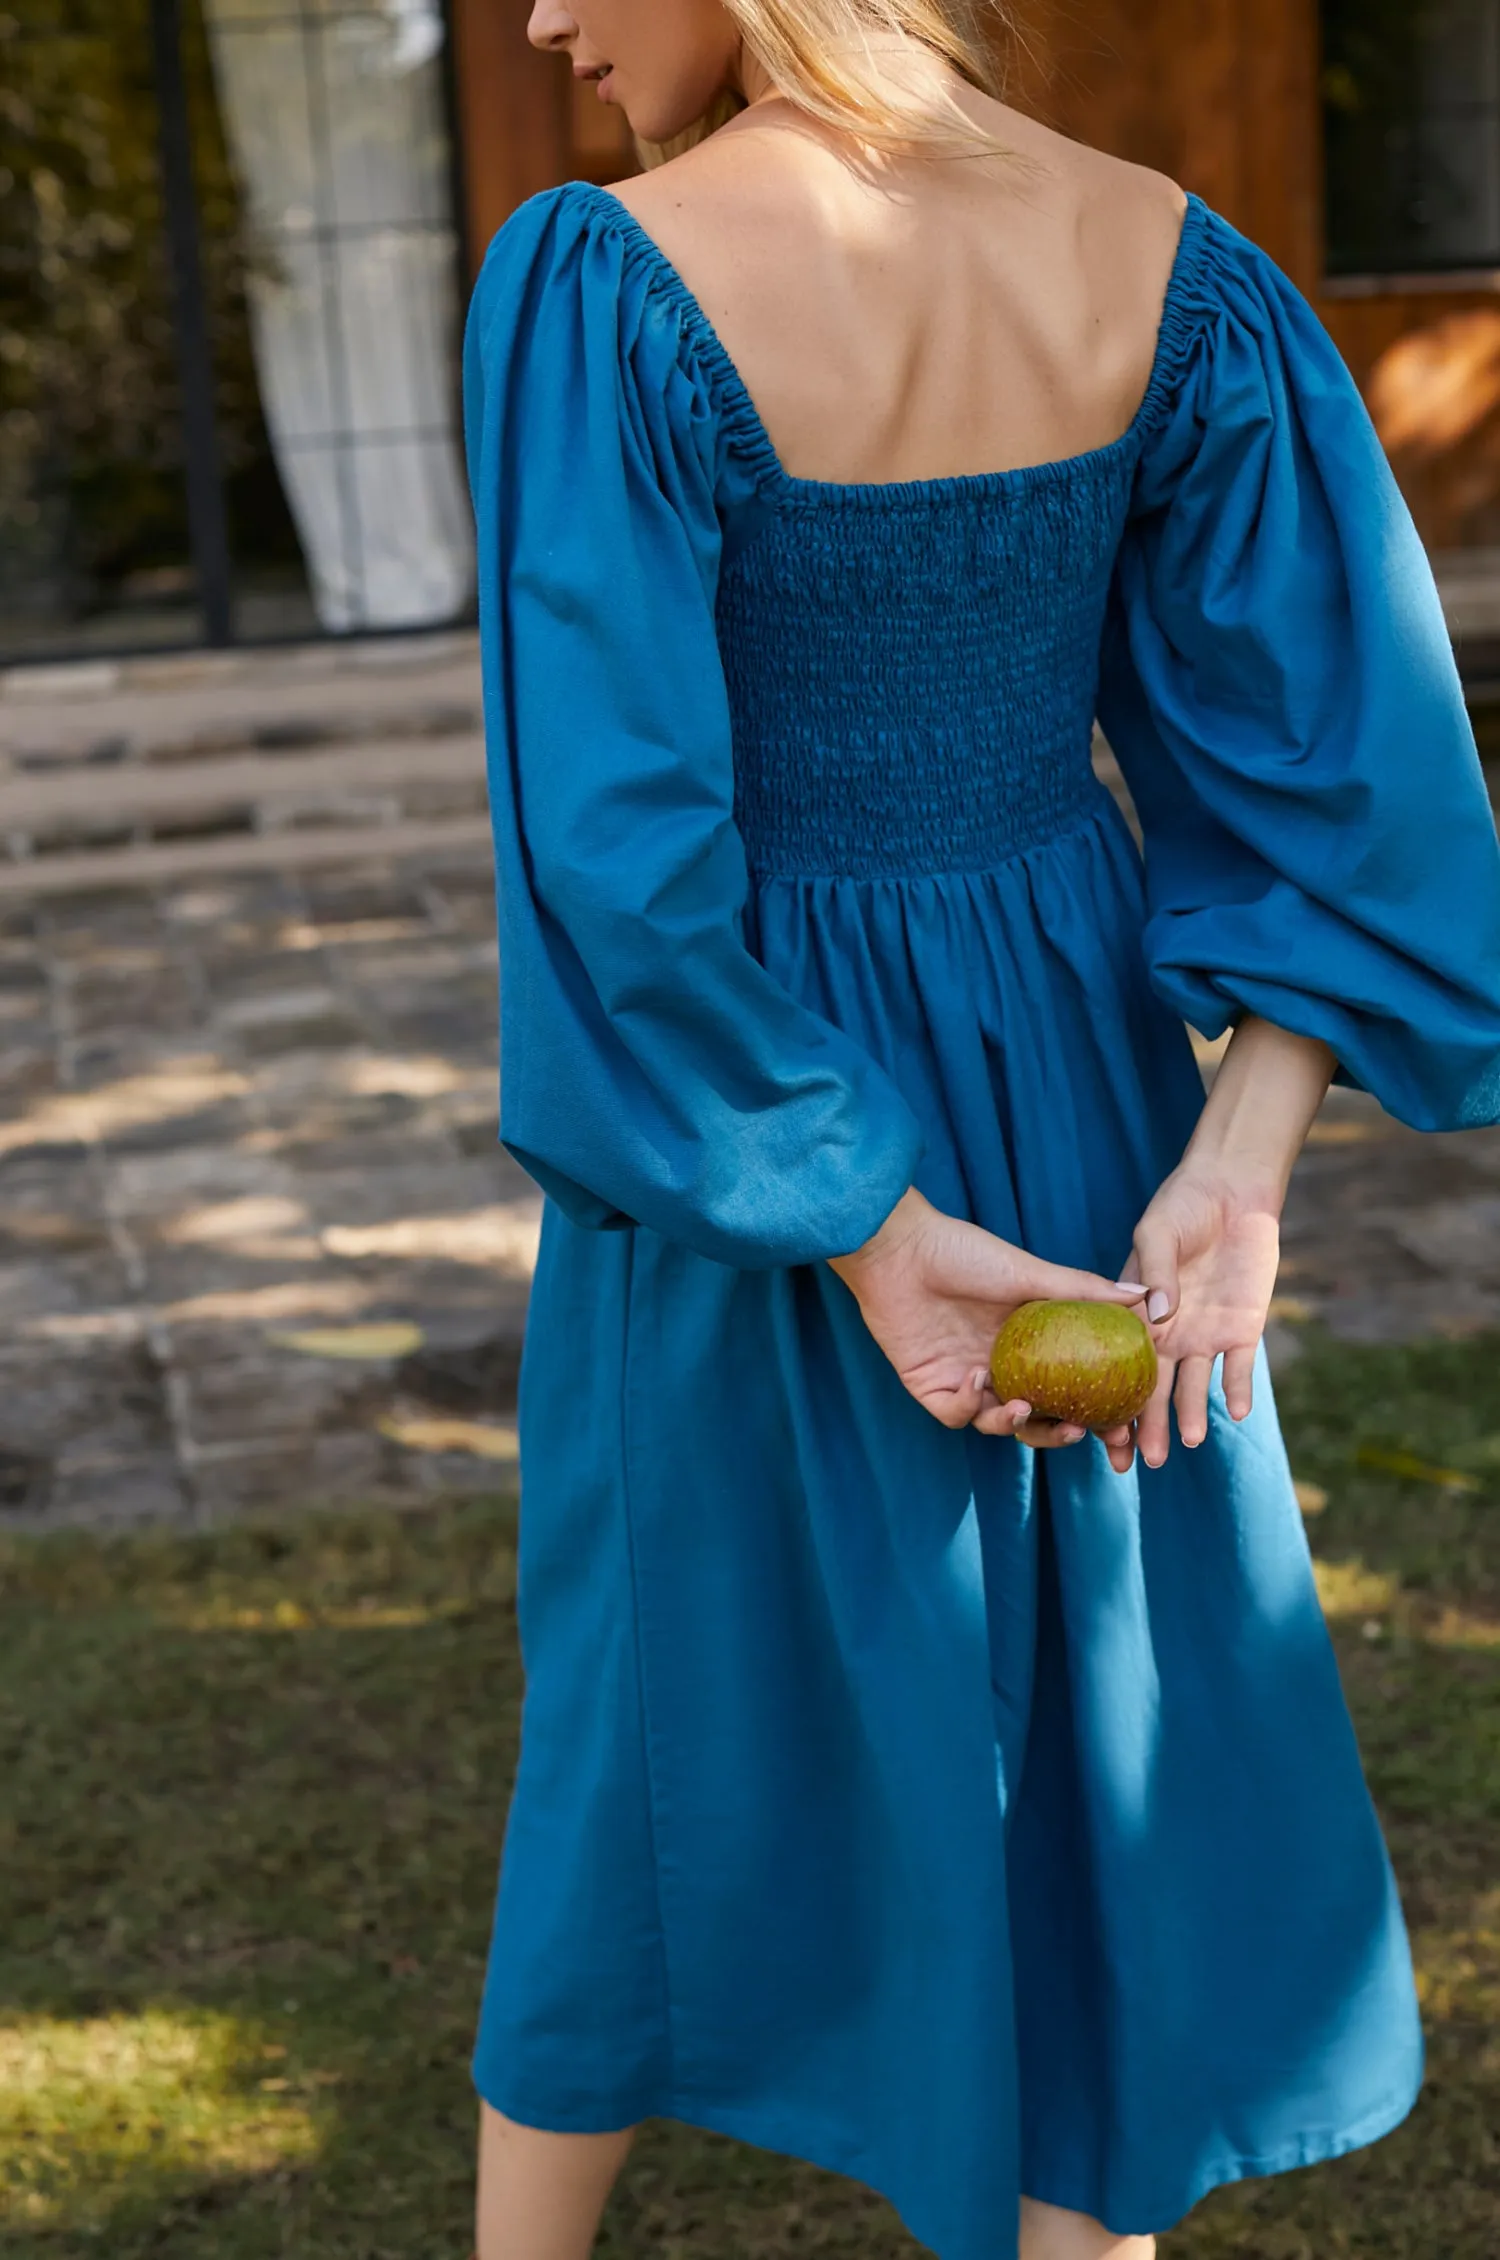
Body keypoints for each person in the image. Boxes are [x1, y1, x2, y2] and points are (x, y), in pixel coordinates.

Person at [461, 6, 1500, 2258]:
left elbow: (618, 860)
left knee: (652, 1724)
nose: (538, 18)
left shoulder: (603, 283)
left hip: (742, 1107)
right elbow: (1356, 767)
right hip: (1080, 1068)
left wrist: (851, 1220)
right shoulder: (1180, 263)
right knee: (1090, 1728)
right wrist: (1238, 1156)